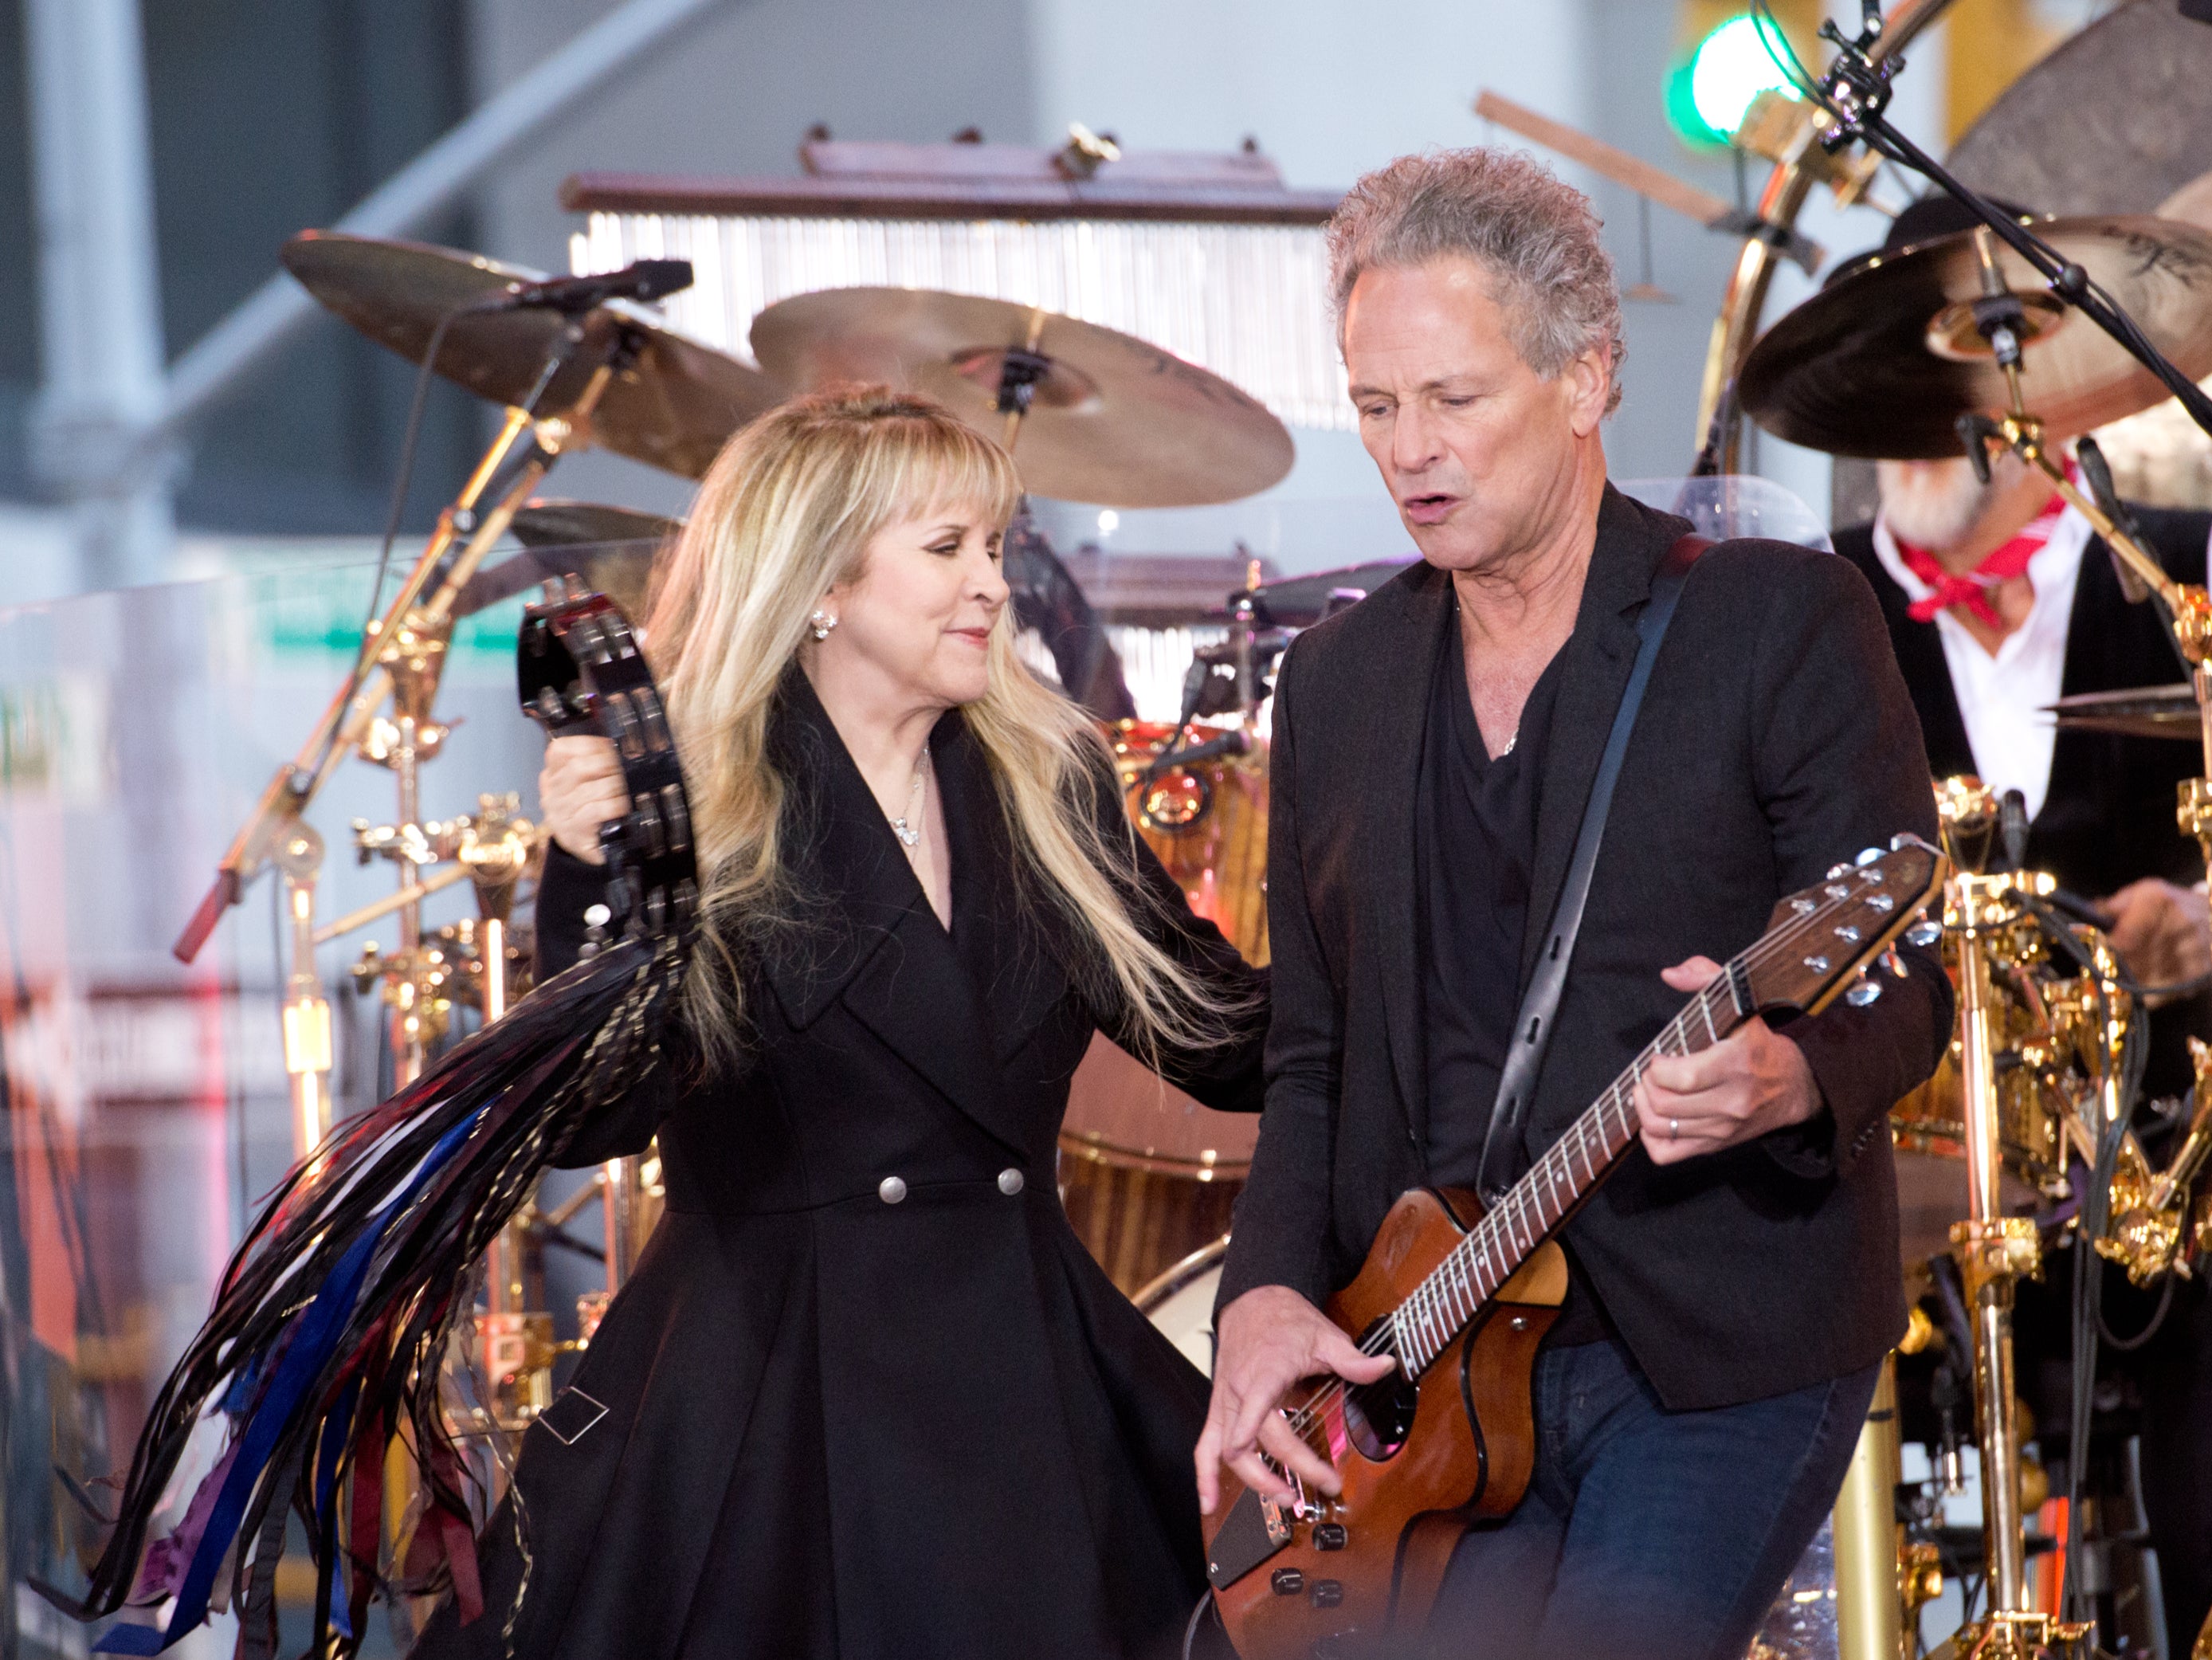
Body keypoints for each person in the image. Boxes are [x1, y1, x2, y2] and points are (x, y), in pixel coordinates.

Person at [1194, 148, 1952, 1660]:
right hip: (1439, 1362)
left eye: (1455, 400)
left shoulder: (1775, 624)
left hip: (1714, 1348)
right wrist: (1262, 1299)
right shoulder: (1335, 684)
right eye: (1376, 406)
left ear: (1590, 377)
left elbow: (1907, 979)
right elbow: (1309, 1054)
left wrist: (1790, 1076)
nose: (1411, 451)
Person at [413, 386, 1267, 1660]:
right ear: (822, 583)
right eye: (946, 550)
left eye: (994, 546)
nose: (990, 585)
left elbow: (1227, 1041)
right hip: (771, 1418)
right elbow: (598, 1116)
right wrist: (592, 872)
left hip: (1027, 1400)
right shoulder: (698, 801)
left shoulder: (1049, 786)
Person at [1832, 196, 2212, 1654]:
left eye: (1955, 359)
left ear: (2039, 370)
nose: (1916, 409)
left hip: (2169, 1174)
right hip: (1909, 1188)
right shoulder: (1808, 616)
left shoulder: (2181, 574)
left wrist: (2201, 919)